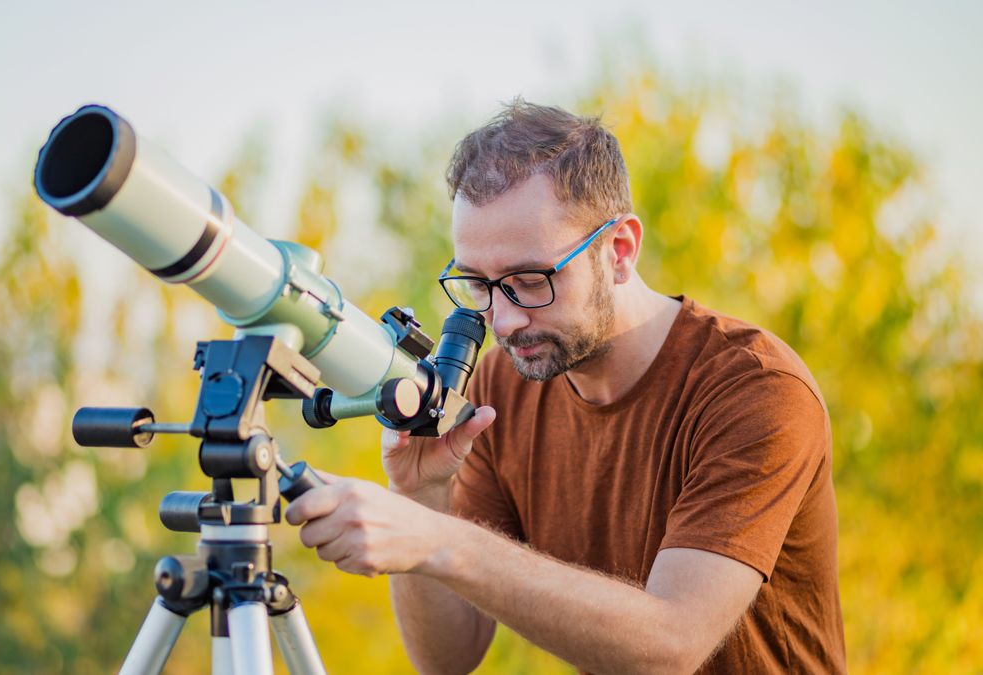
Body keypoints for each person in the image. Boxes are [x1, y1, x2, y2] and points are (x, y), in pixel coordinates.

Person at [285, 100, 845, 674]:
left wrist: (438, 539)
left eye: (529, 281)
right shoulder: (501, 385)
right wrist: (422, 495)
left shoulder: (755, 391)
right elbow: (447, 660)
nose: (501, 322)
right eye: (478, 285)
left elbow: (671, 646)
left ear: (619, 251)